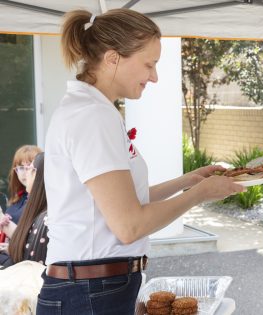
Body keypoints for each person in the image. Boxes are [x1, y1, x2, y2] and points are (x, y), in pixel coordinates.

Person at [37, 9, 244, 314]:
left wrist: (189, 181)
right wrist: (200, 195)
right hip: (90, 292)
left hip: (91, 288)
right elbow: (130, 225)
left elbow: (126, 201)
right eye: (149, 64)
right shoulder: (92, 116)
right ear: (113, 58)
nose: (155, 77)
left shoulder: (93, 110)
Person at [0, 152, 48, 269]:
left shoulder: (45, 216)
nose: (25, 172)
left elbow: (32, 256)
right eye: (20, 167)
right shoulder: (18, 199)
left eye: (29, 168)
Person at [5, 145, 42, 224]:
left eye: (30, 167)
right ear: (16, 171)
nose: (27, 172)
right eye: (21, 168)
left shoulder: (45, 200)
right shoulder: (19, 197)